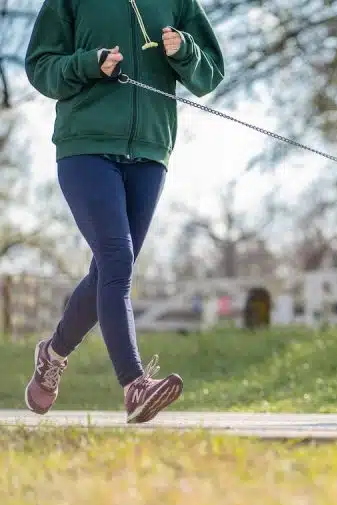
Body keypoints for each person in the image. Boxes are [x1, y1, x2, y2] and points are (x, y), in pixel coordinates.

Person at [23, 0, 224, 423]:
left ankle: (53, 354)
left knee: (107, 269)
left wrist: (183, 50)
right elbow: (41, 67)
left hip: (150, 152)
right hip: (86, 148)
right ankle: (135, 385)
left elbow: (209, 75)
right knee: (118, 259)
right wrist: (88, 64)